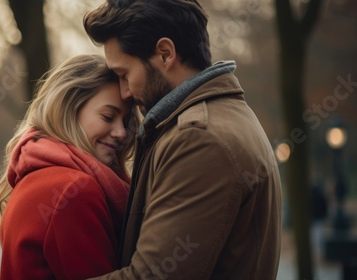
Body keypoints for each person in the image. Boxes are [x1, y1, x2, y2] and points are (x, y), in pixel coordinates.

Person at [83, 0, 282, 279]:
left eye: (124, 74)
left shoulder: (198, 139)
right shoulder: (219, 118)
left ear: (165, 53)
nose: (124, 92)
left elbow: (152, 276)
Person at [0, 54, 139, 280]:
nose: (122, 133)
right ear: (69, 109)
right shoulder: (73, 189)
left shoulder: (34, 175)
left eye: (125, 121)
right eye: (108, 116)